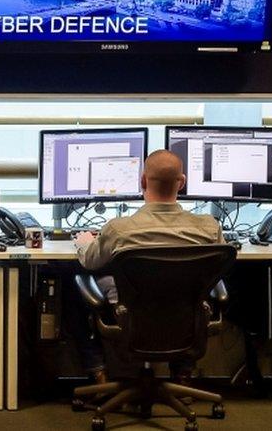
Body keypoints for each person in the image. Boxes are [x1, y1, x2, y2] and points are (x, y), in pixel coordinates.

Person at [70, 149, 224, 384]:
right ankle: (182, 374)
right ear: (181, 183)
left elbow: (90, 261)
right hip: (187, 319)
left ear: (142, 181)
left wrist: (84, 243)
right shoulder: (209, 227)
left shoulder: (119, 229)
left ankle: (98, 372)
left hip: (129, 316)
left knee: (72, 283)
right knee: (189, 293)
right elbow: (218, 267)